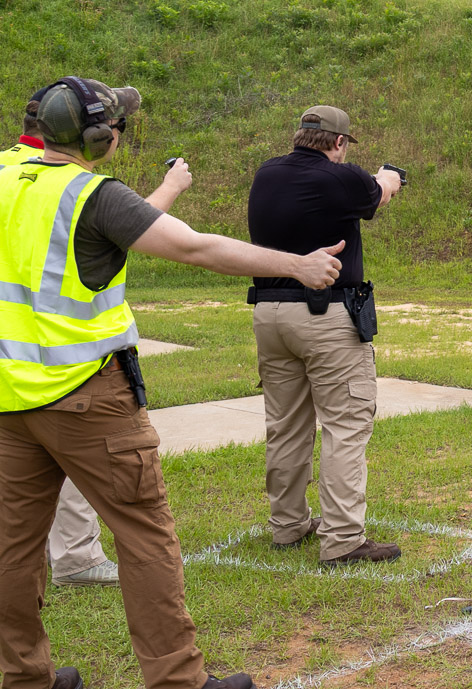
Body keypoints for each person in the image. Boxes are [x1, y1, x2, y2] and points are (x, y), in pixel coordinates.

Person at [0, 76, 345, 689]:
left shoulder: (5, 175)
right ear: (100, 139)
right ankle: (178, 682)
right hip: (89, 397)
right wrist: (296, 264)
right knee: (145, 537)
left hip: (8, 400)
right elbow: (197, 249)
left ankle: (23, 677)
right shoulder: (92, 195)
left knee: (12, 548)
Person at [0, 87, 194, 589]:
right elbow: (132, 230)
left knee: (14, 535)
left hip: (13, 371)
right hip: (71, 371)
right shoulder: (72, 186)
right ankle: (76, 556)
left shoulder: (7, 169)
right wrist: (170, 188)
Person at [246, 105, 402, 568]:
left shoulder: (267, 173)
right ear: (338, 142)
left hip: (270, 314)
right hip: (325, 316)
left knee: (286, 425)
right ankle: (343, 539)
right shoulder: (343, 177)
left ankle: (287, 524)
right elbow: (379, 194)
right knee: (346, 425)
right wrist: (390, 176)